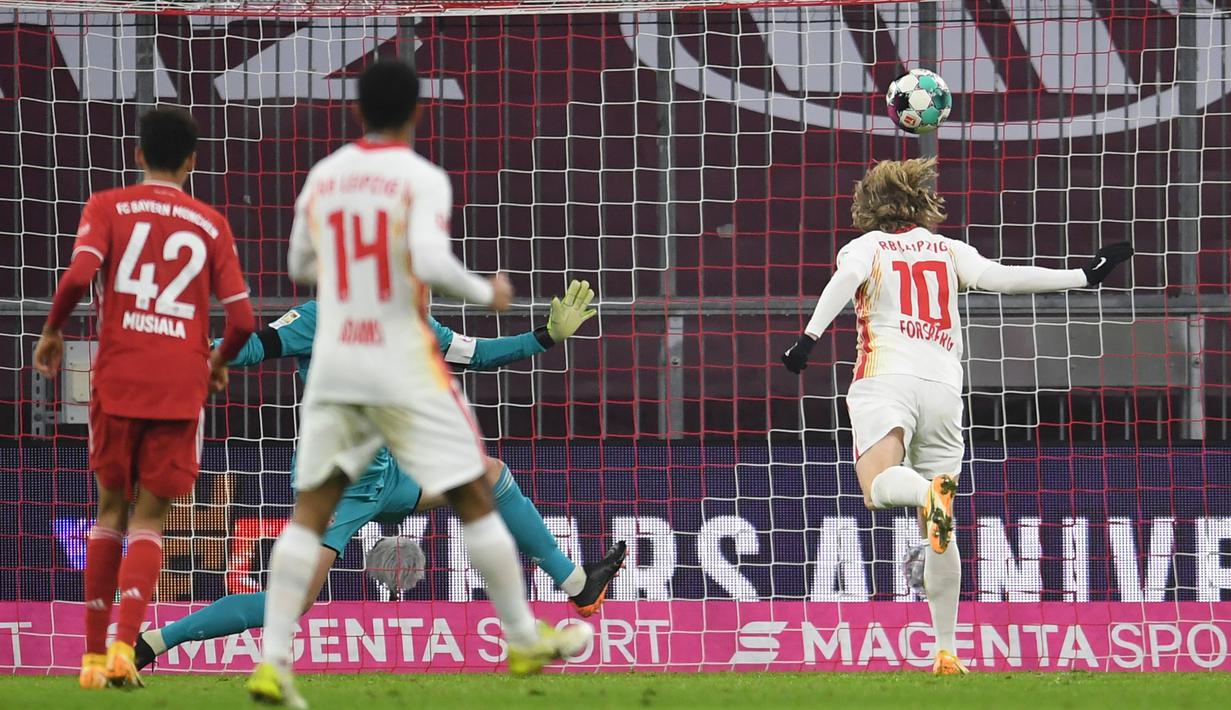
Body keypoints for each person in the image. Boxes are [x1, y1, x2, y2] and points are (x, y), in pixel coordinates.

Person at [248, 59, 588, 709]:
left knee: (309, 513)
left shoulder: (326, 176)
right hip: (399, 362)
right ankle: (520, 637)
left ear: (356, 111)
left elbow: (298, 261)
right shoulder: (420, 177)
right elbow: (431, 262)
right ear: (416, 113)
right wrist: (486, 289)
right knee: (473, 486)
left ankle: (273, 663)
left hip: (337, 365)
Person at [134, 287, 627, 670]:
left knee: (491, 474)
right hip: (335, 490)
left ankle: (578, 584)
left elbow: (477, 353)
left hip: (394, 476)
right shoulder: (320, 317)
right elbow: (251, 348)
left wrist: (545, 336)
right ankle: (154, 642)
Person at [780, 157, 1132, 676]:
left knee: (879, 487)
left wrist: (808, 338)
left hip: (886, 377)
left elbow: (847, 277)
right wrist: (1084, 274)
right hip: (945, 387)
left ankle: (925, 494)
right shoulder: (948, 249)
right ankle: (947, 650)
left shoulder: (865, 246)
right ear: (922, 203)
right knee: (938, 530)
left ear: (867, 206)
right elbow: (1004, 278)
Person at [33, 107, 256, 689]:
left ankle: (88, 657)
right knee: (152, 518)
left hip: (117, 380)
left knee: (111, 510)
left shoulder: (107, 206)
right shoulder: (209, 223)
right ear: (192, 161)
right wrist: (216, 364)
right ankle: (125, 650)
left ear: (138, 156)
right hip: (179, 387)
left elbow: (80, 277)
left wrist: (54, 330)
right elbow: (243, 320)